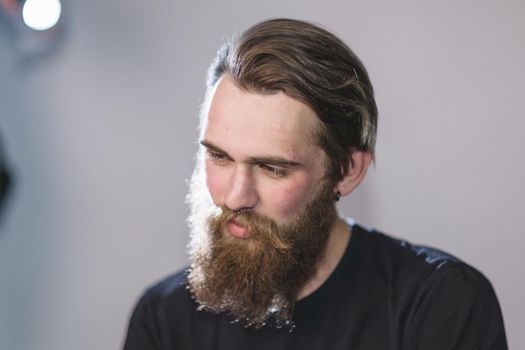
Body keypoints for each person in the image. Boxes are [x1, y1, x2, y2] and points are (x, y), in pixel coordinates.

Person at [123, 18, 507, 349]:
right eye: (219, 156)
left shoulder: (437, 304)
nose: (235, 196)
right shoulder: (163, 317)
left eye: (273, 168)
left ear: (348, 170)